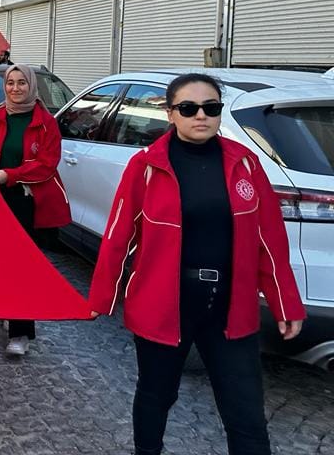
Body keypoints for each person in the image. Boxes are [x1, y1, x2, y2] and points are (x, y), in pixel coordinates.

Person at [88, 73, 305, 455]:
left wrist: (285, 302)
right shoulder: (146, 167)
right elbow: (119, 235)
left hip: (230, 307)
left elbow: (269, 241)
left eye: (211, 108)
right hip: (163, 305)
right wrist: (102, 298)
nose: (200, 116)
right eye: (188, 108)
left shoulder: (246, 164)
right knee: (155, 397)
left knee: (246, 413)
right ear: (170, 114)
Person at [0, 63, 70, 356]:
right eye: (11, 83)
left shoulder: (46, 122)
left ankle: (21, 332)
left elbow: (46, 164)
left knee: (23, 265)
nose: (16, 88)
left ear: (31, 87)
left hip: (27, 201)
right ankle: (7, 309)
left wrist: (9, 175)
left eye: (21, 83)